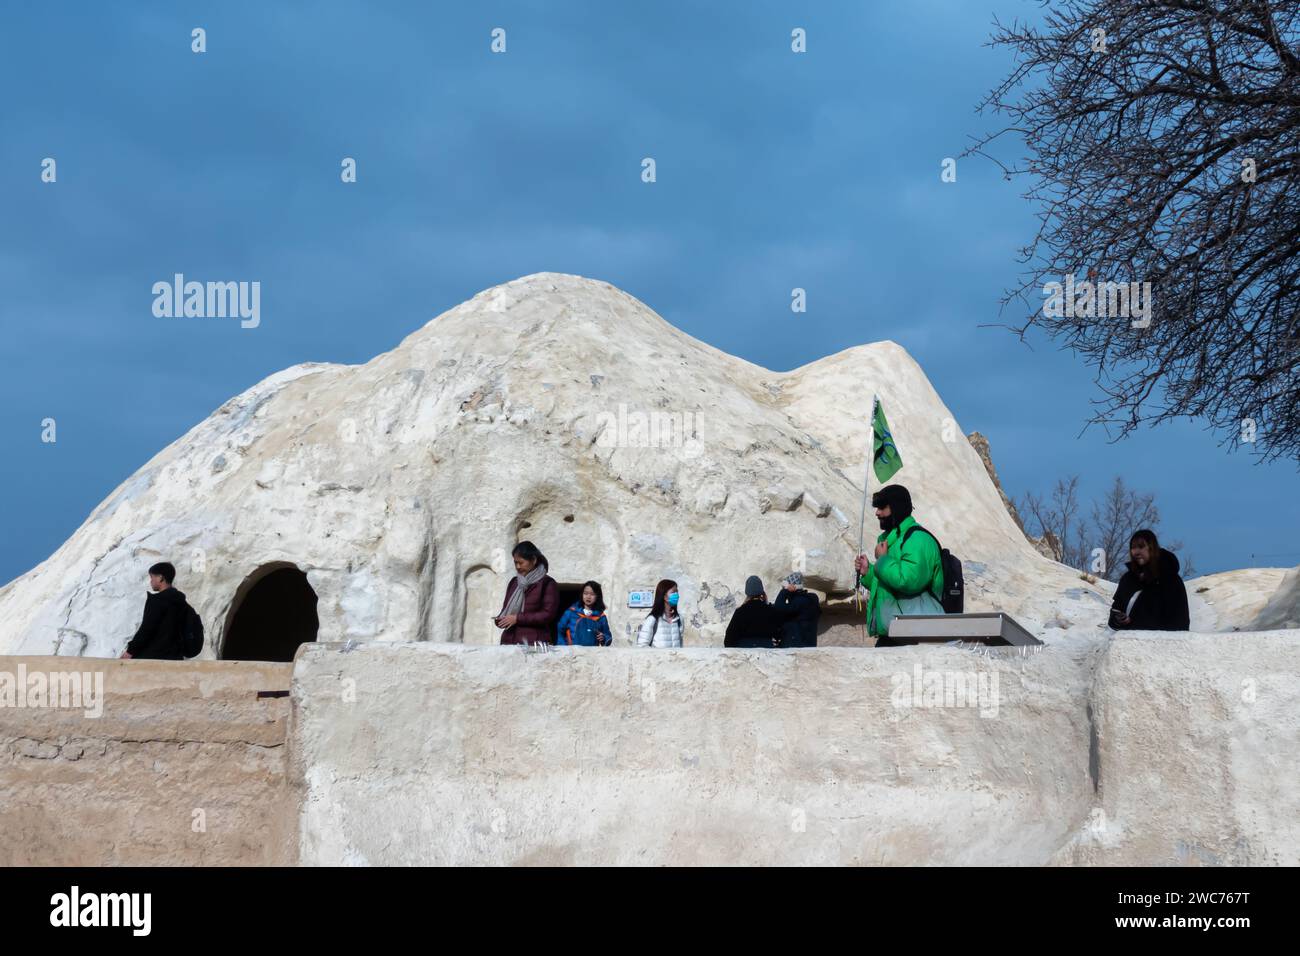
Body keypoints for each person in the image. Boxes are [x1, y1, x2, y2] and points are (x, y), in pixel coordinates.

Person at [853, 484, 944, 646]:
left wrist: (883, 560)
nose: (877, 513)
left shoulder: (918, 539)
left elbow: (908, 581)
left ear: (897, 507)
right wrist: (869, 572)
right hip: (895, 632)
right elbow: (890, 581)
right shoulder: (893, 540)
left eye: (882, 507)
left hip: (918, 635)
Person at [1109, 529, 1190, 631]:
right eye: (1133, 548)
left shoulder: (1170, 579)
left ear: (1152, 548)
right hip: (1129, 642)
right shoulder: (1128, 579)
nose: (1137, 552)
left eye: (1141, 547)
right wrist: (1118, 619)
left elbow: (1180, 621)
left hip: (1163, 642)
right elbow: (1115, 613)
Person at [494, 541, 560, 645]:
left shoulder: (547, 583)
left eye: (521, 562)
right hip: (509, 641)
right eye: (515, 563)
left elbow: (547, 615)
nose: (518, 567)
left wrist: (517, 618)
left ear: (533, 560)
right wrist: (501, 619)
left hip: (534, 642)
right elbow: (506, 610)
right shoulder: (514, 582)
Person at [121, 562, 190, 660]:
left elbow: (146, 629)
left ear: (160, 578)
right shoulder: (181, 602)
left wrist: (130, 651)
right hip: (175, 657)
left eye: (152, 577)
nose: (151, 581)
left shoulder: (158, 601)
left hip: (154, 657)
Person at [724, 575, 797, 648]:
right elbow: (779, 633)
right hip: (767, 647)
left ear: (747, 592)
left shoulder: (740, 612)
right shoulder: (770, 610)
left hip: (745, 649)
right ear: (761, 590)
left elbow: (729, 639)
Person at [556, 581, 613, 647]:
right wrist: (564, 648)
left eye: (592, 594)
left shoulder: (601, 617)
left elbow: (608, 637)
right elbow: (559, 631)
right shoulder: (571, 612)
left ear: (598, 596)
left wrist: (604, 637)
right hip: (572, 653)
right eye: (585, 593)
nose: (588, 597)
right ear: (582, 594)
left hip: (591, 654)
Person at [773, 571, 821, 647]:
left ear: (792, 588)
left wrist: (784, 591)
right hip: (806, 645)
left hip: (797, 646)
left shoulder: (799, 602)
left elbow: (778, 607)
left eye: (785, 588)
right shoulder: (809, 600)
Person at [637, 579, 683, 647]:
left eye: (677, 592)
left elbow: (680, 644)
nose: (677, 595)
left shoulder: (679, 619)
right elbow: (642, 645)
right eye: (673, 592)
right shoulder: (653, 619)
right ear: (664, 596)